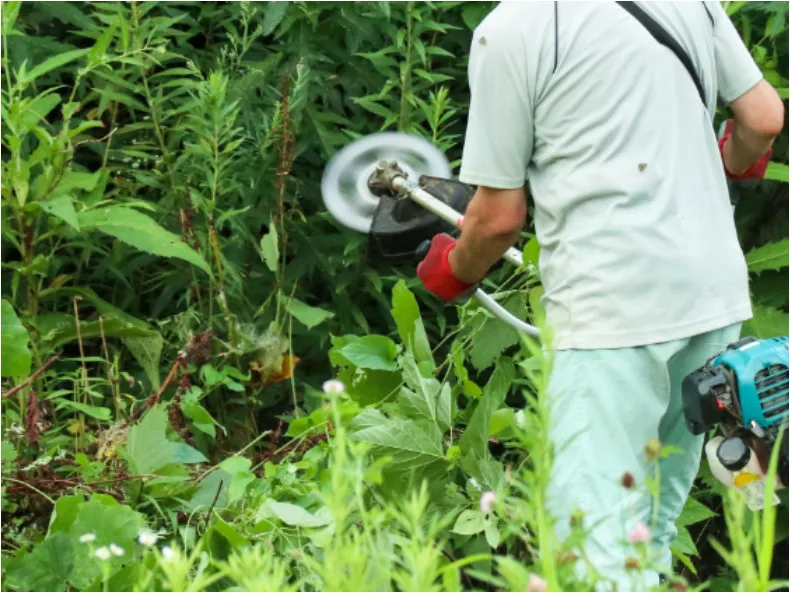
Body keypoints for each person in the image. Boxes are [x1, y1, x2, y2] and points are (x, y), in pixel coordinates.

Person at [416, 2, 784, 590]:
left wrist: (452, 272)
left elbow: (496, 219)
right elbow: (763, 118)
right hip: (711, 298)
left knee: (589, 550)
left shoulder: (510, 32)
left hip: (614, 312)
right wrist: (719, 169)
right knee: (648, 534)